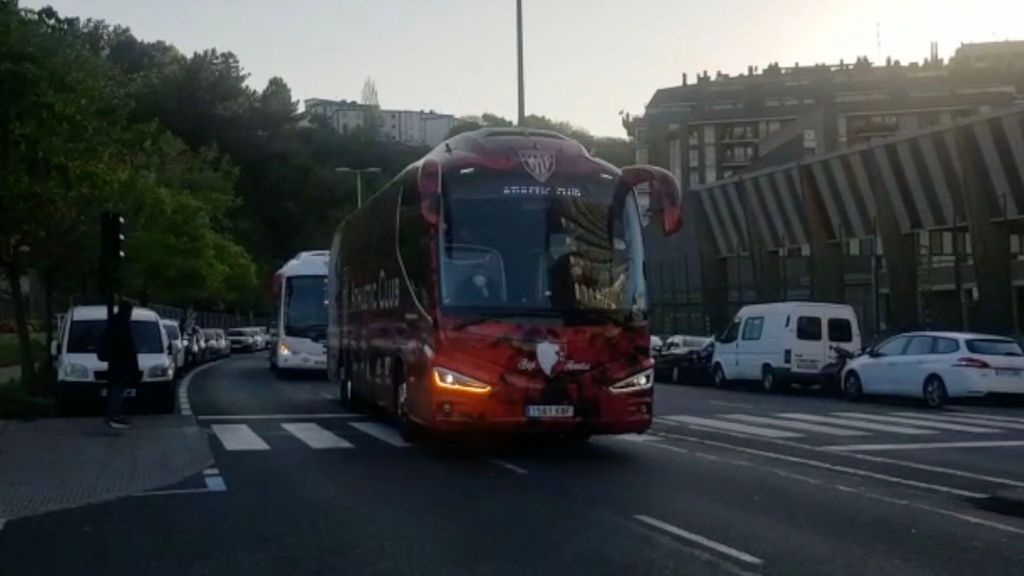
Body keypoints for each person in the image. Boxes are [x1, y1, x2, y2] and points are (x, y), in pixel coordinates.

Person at [99, 301, 139, 430]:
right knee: (118, 387)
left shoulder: (114, 322)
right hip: (121, 361)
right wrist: (134, 363)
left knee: (115, 387)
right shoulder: (123, 324)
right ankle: (114, 414)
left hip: (114, 360)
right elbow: (129, 345)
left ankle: (113, 413)